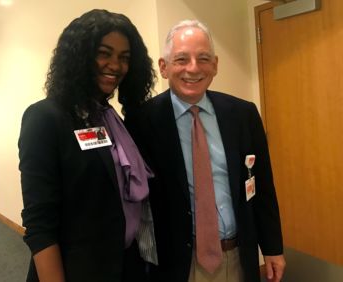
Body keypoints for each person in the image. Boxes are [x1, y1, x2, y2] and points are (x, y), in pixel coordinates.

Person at [125, 20, 286, 282]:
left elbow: (263, 186)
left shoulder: (243, 114)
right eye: (181, 59)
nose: (193, 68)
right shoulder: (141, 122)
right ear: (163, 67)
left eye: (203, 58)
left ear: (215, 64)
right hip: (177, 264)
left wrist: (272, 248)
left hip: (237, 258)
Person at [18, 9, 156, 282]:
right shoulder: (46, 118)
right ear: (80, 56)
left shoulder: (112, 117)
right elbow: (39, 222)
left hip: (125, 264)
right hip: (77, 270)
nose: (115, 66)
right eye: (104, 53)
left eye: (124, 58)